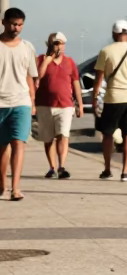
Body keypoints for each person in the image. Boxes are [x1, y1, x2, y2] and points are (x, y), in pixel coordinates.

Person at [92, 20, 127, 182]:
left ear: (113, 34)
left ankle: (107, 169)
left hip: (113, 98)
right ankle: (125, 172)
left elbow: (99, 79)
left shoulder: (106, 51)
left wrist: (95, 98)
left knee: (108, 134)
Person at [0, 8, 38, 201]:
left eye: (20, 24)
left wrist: (32, 102)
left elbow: (30, 76)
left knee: (18, 143)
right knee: (2, 147)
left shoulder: (27, 47)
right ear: (3, 22)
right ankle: (2, 184)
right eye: (13, 24)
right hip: (0, 104)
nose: (16, 28)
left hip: (21, 102)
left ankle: (15, 188)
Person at [35, 32, 83, 179]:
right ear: (49, 45)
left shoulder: (69, 62)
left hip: (65, 104)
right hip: (45, 105)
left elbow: (75, 83)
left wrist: (79, 104)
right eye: (55, 43)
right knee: (48, 138)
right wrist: (47, 61)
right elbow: (37, 77)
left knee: (63, 135)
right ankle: (52, 167)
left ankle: (62, 166)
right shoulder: (40, 60)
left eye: (61, 43)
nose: (58, 46)